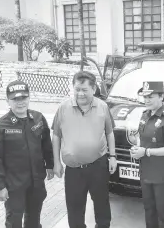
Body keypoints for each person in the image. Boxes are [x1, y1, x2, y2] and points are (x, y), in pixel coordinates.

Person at [51, 71, 117, 228]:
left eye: (84, 90)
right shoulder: (63, 108)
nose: (80, 94)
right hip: (74, 170)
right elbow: (56, 136)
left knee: (102, 203)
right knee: (74, 208)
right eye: (77, 89)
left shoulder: (103, 107)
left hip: (98, 166)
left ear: (93, 89)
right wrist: (56, 162)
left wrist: (113, 156)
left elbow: (109, 132)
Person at [0, 80, 54, 228]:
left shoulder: (38, 118)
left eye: (23, 98)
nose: (20, 102)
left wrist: (50, 164)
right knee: (14, 221)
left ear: (29, 98)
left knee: (34, 218)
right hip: (14, 185)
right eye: (15, 99)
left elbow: (46, 144)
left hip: (36, 181)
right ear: (8, 101)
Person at [130, 81, 164, 228]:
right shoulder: (145, 115)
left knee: (163, 212)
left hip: (161, 174)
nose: (147, 100)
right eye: (144, 96)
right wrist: (137, 148)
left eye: (151, 96)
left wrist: (146, 152)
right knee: (149, 209)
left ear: (161, 96)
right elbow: (143, 140)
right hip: (146, 171)